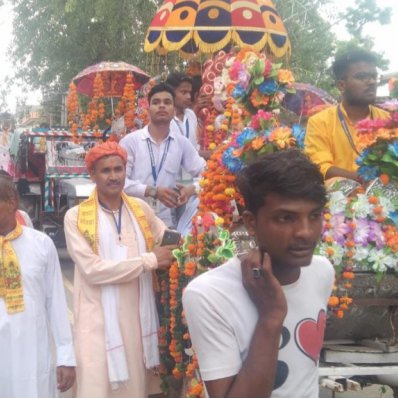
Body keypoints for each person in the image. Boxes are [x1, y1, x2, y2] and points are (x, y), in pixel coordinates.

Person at [183, 150, 334, 398]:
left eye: (315, 216)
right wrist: (271, 316)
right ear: (251, 222)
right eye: (286, 218)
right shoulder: (208, 295)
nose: (306, 232)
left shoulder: (321, 272)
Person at [63, 142, 177, 397]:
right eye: (105, 171)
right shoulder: (76, 216)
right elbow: (93, 270)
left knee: (134, 386)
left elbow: (166, 239)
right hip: (96, 318)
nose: (113, 176)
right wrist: (149, 261)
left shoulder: (141, 209)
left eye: (119, 169)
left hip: (137, 316)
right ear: (92, 175)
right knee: (96, 384)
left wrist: (205, 231)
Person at [0, 173, 75, 397]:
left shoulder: (42, 245)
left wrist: (66, 357)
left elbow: (56, 303)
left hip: (33, 357)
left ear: (12, 202)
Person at [120, 83, 206, 235]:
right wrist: (152, 191)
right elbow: (120, 182)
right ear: (148, 109)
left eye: (167, 102)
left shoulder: (181, 143)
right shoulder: (130, 141)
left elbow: (206, 174)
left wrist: (191, 189)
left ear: (173, 111)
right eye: (156, 102)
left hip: (167, 224)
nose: (161, 106)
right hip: (133, 220)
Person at [305, 49, 389, 182]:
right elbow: (321, 167)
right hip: (339, 199)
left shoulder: (387, 120)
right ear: (341, 85)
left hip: (386, 197)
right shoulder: (320, 122)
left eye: (374, 76)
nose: (372, 82)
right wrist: (365, 180)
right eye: (362, 77)